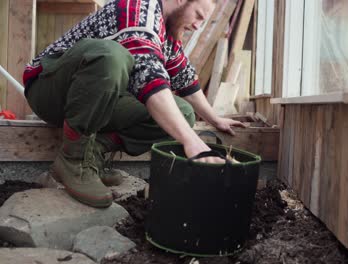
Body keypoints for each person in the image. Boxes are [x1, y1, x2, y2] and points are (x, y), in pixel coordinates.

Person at [22, 0, 245, 208]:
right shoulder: (137, 8)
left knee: (183, 113)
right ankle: (73, 159)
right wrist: (193, 144)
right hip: (48, 88)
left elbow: (185, 80)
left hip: (88, 99)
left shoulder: (166, 33)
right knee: (112, 56)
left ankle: (93, 153)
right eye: (198, 15)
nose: (197, 26)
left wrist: (214, 119)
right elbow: (150, 80)